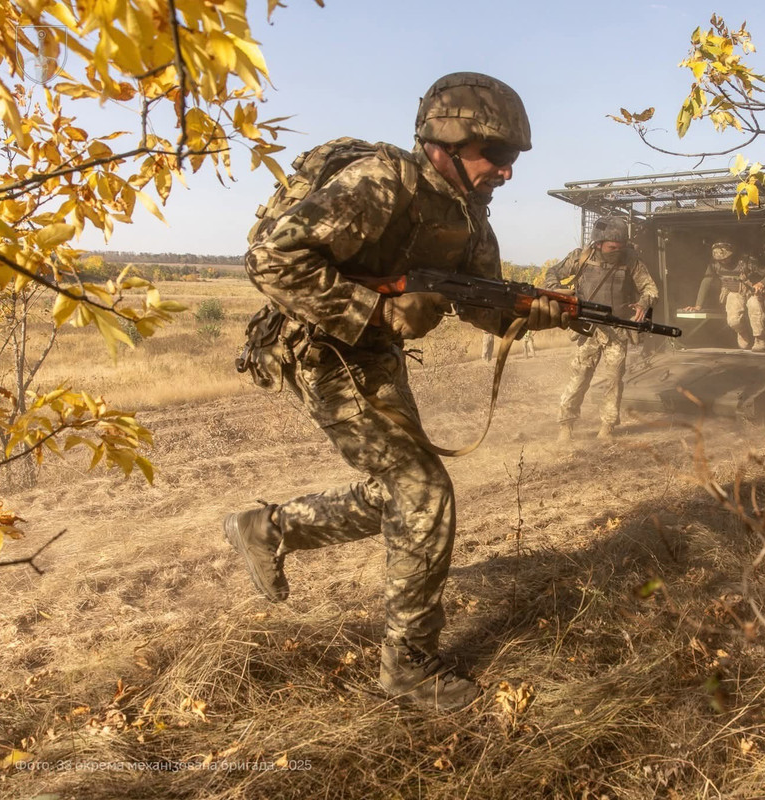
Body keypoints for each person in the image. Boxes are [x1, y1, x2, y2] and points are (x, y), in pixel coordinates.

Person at [223, 72, 566, 712]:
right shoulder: (381, 183)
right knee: (422, 490)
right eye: (497, 154)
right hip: (318, 349)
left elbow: (483, 303)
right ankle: (408, 666)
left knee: (405, 490)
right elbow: (270, 260)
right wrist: (377, 311)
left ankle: (268, 528)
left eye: (513, 158)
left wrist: (533, 315)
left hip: (372, 356)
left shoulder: (468, 214)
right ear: (447, 141)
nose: (506, 171)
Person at [547, 216, 658, 440]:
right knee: (579, 377)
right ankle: (566, 425)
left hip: (617, 329)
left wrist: (643, 303)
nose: (617, 251)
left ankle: (608, 425)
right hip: (586, 328)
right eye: (611, 247)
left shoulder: (631, 260)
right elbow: (552, 274)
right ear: (598, 244)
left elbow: (650, 289)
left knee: (614, 380)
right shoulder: (581, 257)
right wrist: (559, 293)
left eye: (621, 247)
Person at [686, 241, 765, 351]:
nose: (723, 262)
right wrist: (698, 305)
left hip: (752, 293)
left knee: (755, 309)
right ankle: (742, 332)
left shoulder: (748, 261)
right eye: (720, 260)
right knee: (733, 320)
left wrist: (761, 284)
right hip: (734, 293)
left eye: (726, 258)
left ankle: (759, 339)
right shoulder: (714, 264)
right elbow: (707, 280)